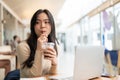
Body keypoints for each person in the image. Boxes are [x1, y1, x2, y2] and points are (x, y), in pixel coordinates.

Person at [4, 9, 59, 79]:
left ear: (52, 26)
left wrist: (54, 64)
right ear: (33, 26)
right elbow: (33, 76)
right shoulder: (23, 46)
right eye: (37, 22)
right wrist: (39, 49)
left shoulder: (53, 46)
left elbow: (52, 75)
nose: (42, 25)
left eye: (46, 22)